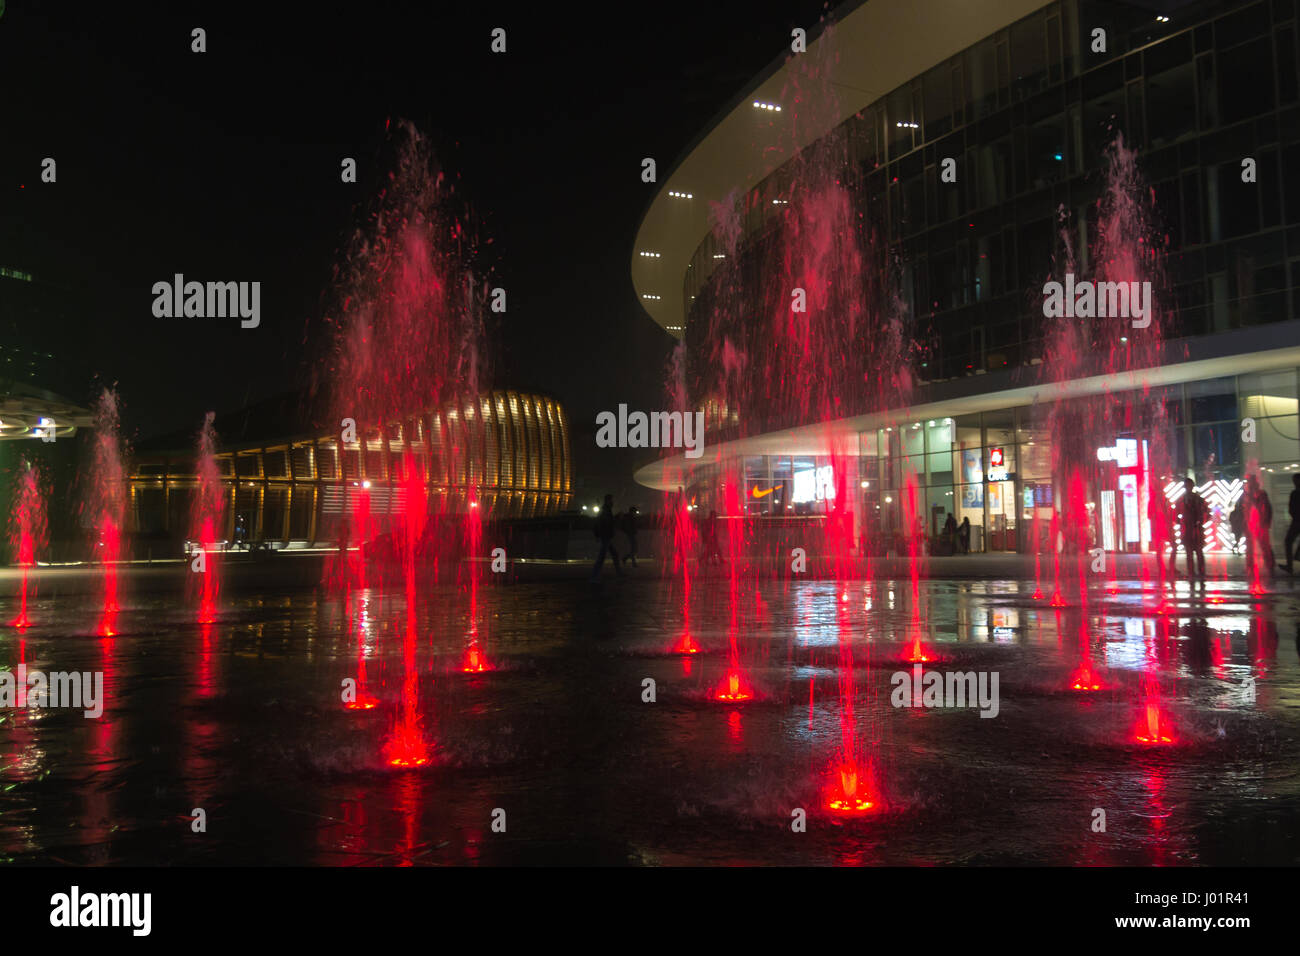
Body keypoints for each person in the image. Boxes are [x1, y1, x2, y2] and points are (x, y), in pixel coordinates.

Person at [1173, 477, 1206, 580]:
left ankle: (1196, 573)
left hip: (1193, 529)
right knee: (1194, 552)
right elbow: (1176, 515)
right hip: (1190, 529)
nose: (1188, 487)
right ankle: (1195, 573)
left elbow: (1205, 512)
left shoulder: (1186, 499)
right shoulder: (1186, 499)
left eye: (1189, 485)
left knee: (1195, 552)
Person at [1244, 474, 1274, 582]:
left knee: (1264, 546)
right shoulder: (1247, 494)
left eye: (1251, 482)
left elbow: (1265, 507)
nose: (1250, 484)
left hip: (1260, 524)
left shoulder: (1260, 494)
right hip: (1252, 524)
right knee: (1252, 547)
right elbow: (1244, 510)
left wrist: (1266, 521)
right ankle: (1251, 567)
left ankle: (1269, 566)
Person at [590, 494, 622, 581]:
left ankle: (619, 573)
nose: (613, 502)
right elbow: (604, 524)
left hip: (606, 536)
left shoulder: (606, 510)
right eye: (611, 500)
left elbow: (602, 523)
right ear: (608, 501)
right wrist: (616, 518)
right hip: (606, 536)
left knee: (614, 555)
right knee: (602, 557)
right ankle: (594, 576)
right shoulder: (606, 511)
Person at [1280, 474, 1300, 576]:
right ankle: (1290, 565)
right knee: (1288, 541)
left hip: (1297, 521)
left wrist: (1294, 515)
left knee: (1288, 541)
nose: (1294, 482)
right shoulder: (1294, 493)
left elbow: (1291, 508)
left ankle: (1290, 566)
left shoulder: (1295, 493)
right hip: (1296, 520)